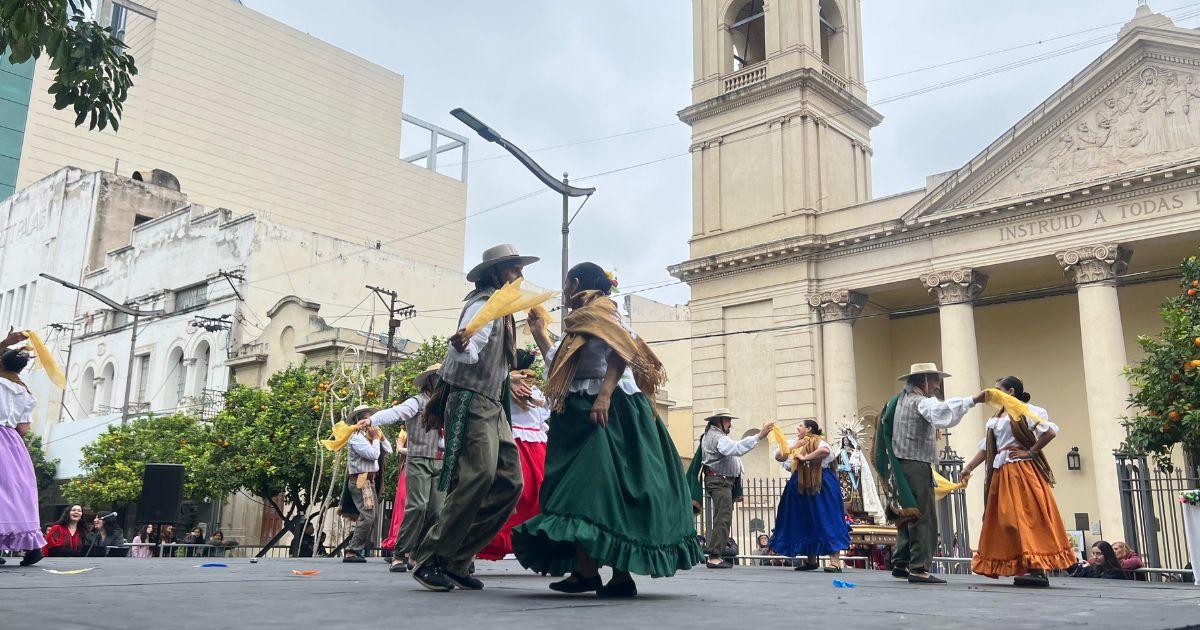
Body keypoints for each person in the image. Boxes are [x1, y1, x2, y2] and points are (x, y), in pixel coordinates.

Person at [512, 261, 703, 598]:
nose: (565, 292)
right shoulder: (579, 322)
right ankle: (586, 572)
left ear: (575, 283)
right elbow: (562, 366)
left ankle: (619, 575)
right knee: (581, 495)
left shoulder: (602, 310)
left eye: (566, 285)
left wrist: (604, 395)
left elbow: (621, 351)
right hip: (577, 411)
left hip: (607, 413)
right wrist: (540, 333)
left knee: (604, 491)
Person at [410, 244, 535, 592]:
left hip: (493, 403)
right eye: (513, 269)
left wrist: (515, 372)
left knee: (511, 483)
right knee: (477, 475)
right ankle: (430, 558)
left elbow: (497, 359)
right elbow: (469, 349)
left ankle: (456, 558)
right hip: (470, 397)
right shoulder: (482, 305)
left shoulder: (505, 311)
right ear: (495, 274)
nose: (520, 275)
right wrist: (463, 346)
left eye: (520, 269)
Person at [875, 362, 986, 585]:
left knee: (907, 513)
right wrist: (972, 400)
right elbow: (942, 412)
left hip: (900, 463)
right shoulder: (919, 402)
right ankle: (919, 568)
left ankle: (901, 562)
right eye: (935, 380)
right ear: (922, 380)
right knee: (923, 516)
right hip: (915, 464)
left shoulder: (896, 402)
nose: (937, 386)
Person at [963, 376, 1075, 587]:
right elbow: (988, 447)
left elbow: (1050, 431)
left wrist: (1030, 452)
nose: (994, 393)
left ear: (1011, 392)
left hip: (1021, 471)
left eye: (998, 389)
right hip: (1002, 472)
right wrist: (969, 467)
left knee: (1027, 516)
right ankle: (1021, 563)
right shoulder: (997, 417)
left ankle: (1037, 567)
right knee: (1006, 521)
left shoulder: (1026, 411)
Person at [357, 363, 443, 573]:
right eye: (438, 377)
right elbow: (396, 413)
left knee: (436, 511)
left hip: (441, 462)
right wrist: (372, 419)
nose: (443, 381)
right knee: (418, 507)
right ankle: (400, 553)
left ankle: (418, 554)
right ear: (430, 381)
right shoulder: (417, 401)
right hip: (419, 459)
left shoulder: (449, 403)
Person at [478, 350, 551, 562]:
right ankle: (523, 541)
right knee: (533, 494)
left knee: (517, 494)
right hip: (529, 445)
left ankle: (507, 540)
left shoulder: (503, 386)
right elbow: (542, 415)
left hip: (521, 442)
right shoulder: (526, 389)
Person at [693, 409, 774, 569]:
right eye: (727, 420)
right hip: (720, 481)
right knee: (722, 518)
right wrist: (759, 436)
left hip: (721, 481)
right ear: (718, 422)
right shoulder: (717, 437)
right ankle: (714, 557)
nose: (730, 423)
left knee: (723, 517)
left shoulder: (714, 435)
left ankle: (716, 554)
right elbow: (736, 448)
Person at [770, 419, 851, 573]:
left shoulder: (818, 441)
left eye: (800, 426)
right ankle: (811, 560)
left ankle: (835, 562)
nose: (797, 428)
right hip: (801, 486)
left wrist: (806, 458)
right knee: (805, 520)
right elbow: (779, 456)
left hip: (820, 485)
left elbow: (825, 451)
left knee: (826, 519)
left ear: (808, 429)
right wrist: (795, 446)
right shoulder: (795, 444)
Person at [0, 337, 47, 566]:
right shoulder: (26, 393)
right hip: (12, 442)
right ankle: (33, 546)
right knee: (18, 494)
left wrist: (6, 341)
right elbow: (24, 428)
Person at [344, 405, 391, 563]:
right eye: (367, 418)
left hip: (369, 481)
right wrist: (376, 439)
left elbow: (389, 450)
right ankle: (352, 550)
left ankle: (355, 549)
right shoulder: (356, 437)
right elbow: (373, 455)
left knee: (370, 516)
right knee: (368, 516)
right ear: (360, 420)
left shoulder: (370, 436)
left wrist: (380, 438)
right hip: (361, 481)